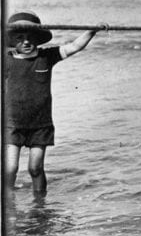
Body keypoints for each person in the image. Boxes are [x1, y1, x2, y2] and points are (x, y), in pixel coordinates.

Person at [4, 12, 103, 197]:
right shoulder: (6, 61)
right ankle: (8, 202)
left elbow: (74, 46)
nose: (26, 42)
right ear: (11, 40)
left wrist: (92, 31)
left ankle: (40, 203)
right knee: (10, 168)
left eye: (30, 37)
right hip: (12, 124)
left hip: (40, 124)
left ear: (38, 38)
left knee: (35, 168)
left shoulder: (46, 57)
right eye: (20, 38)